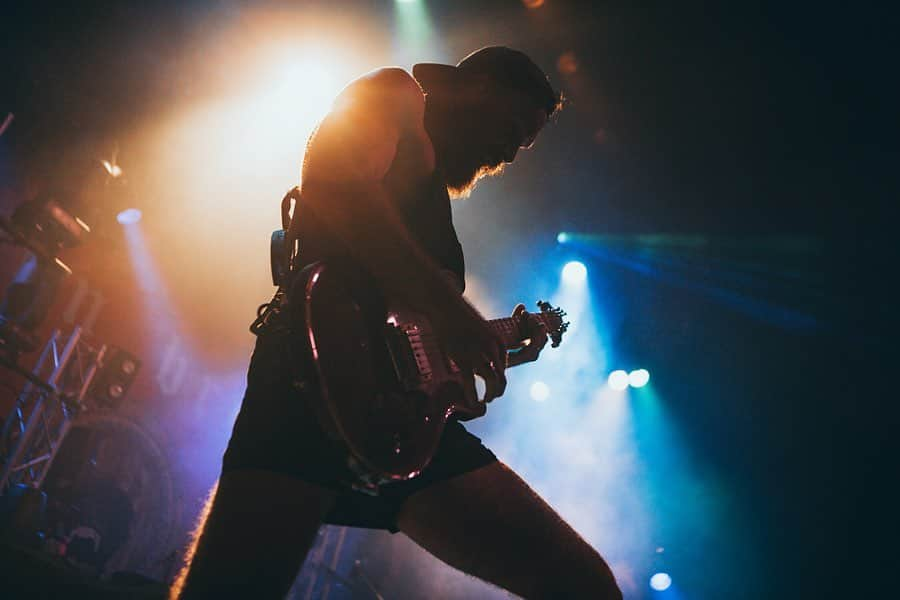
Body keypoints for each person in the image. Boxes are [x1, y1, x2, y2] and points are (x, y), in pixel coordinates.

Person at [172, 47, 622, 599]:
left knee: (584, 587)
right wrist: (455, 312)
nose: (507, 154)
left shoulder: (430, 194)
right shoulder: (394, 95)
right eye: (510, 129)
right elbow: (335, 186)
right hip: (309, 383)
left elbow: (406, 326)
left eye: (521, 147)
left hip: (400, 422)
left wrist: (481, 346)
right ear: (474, 87)